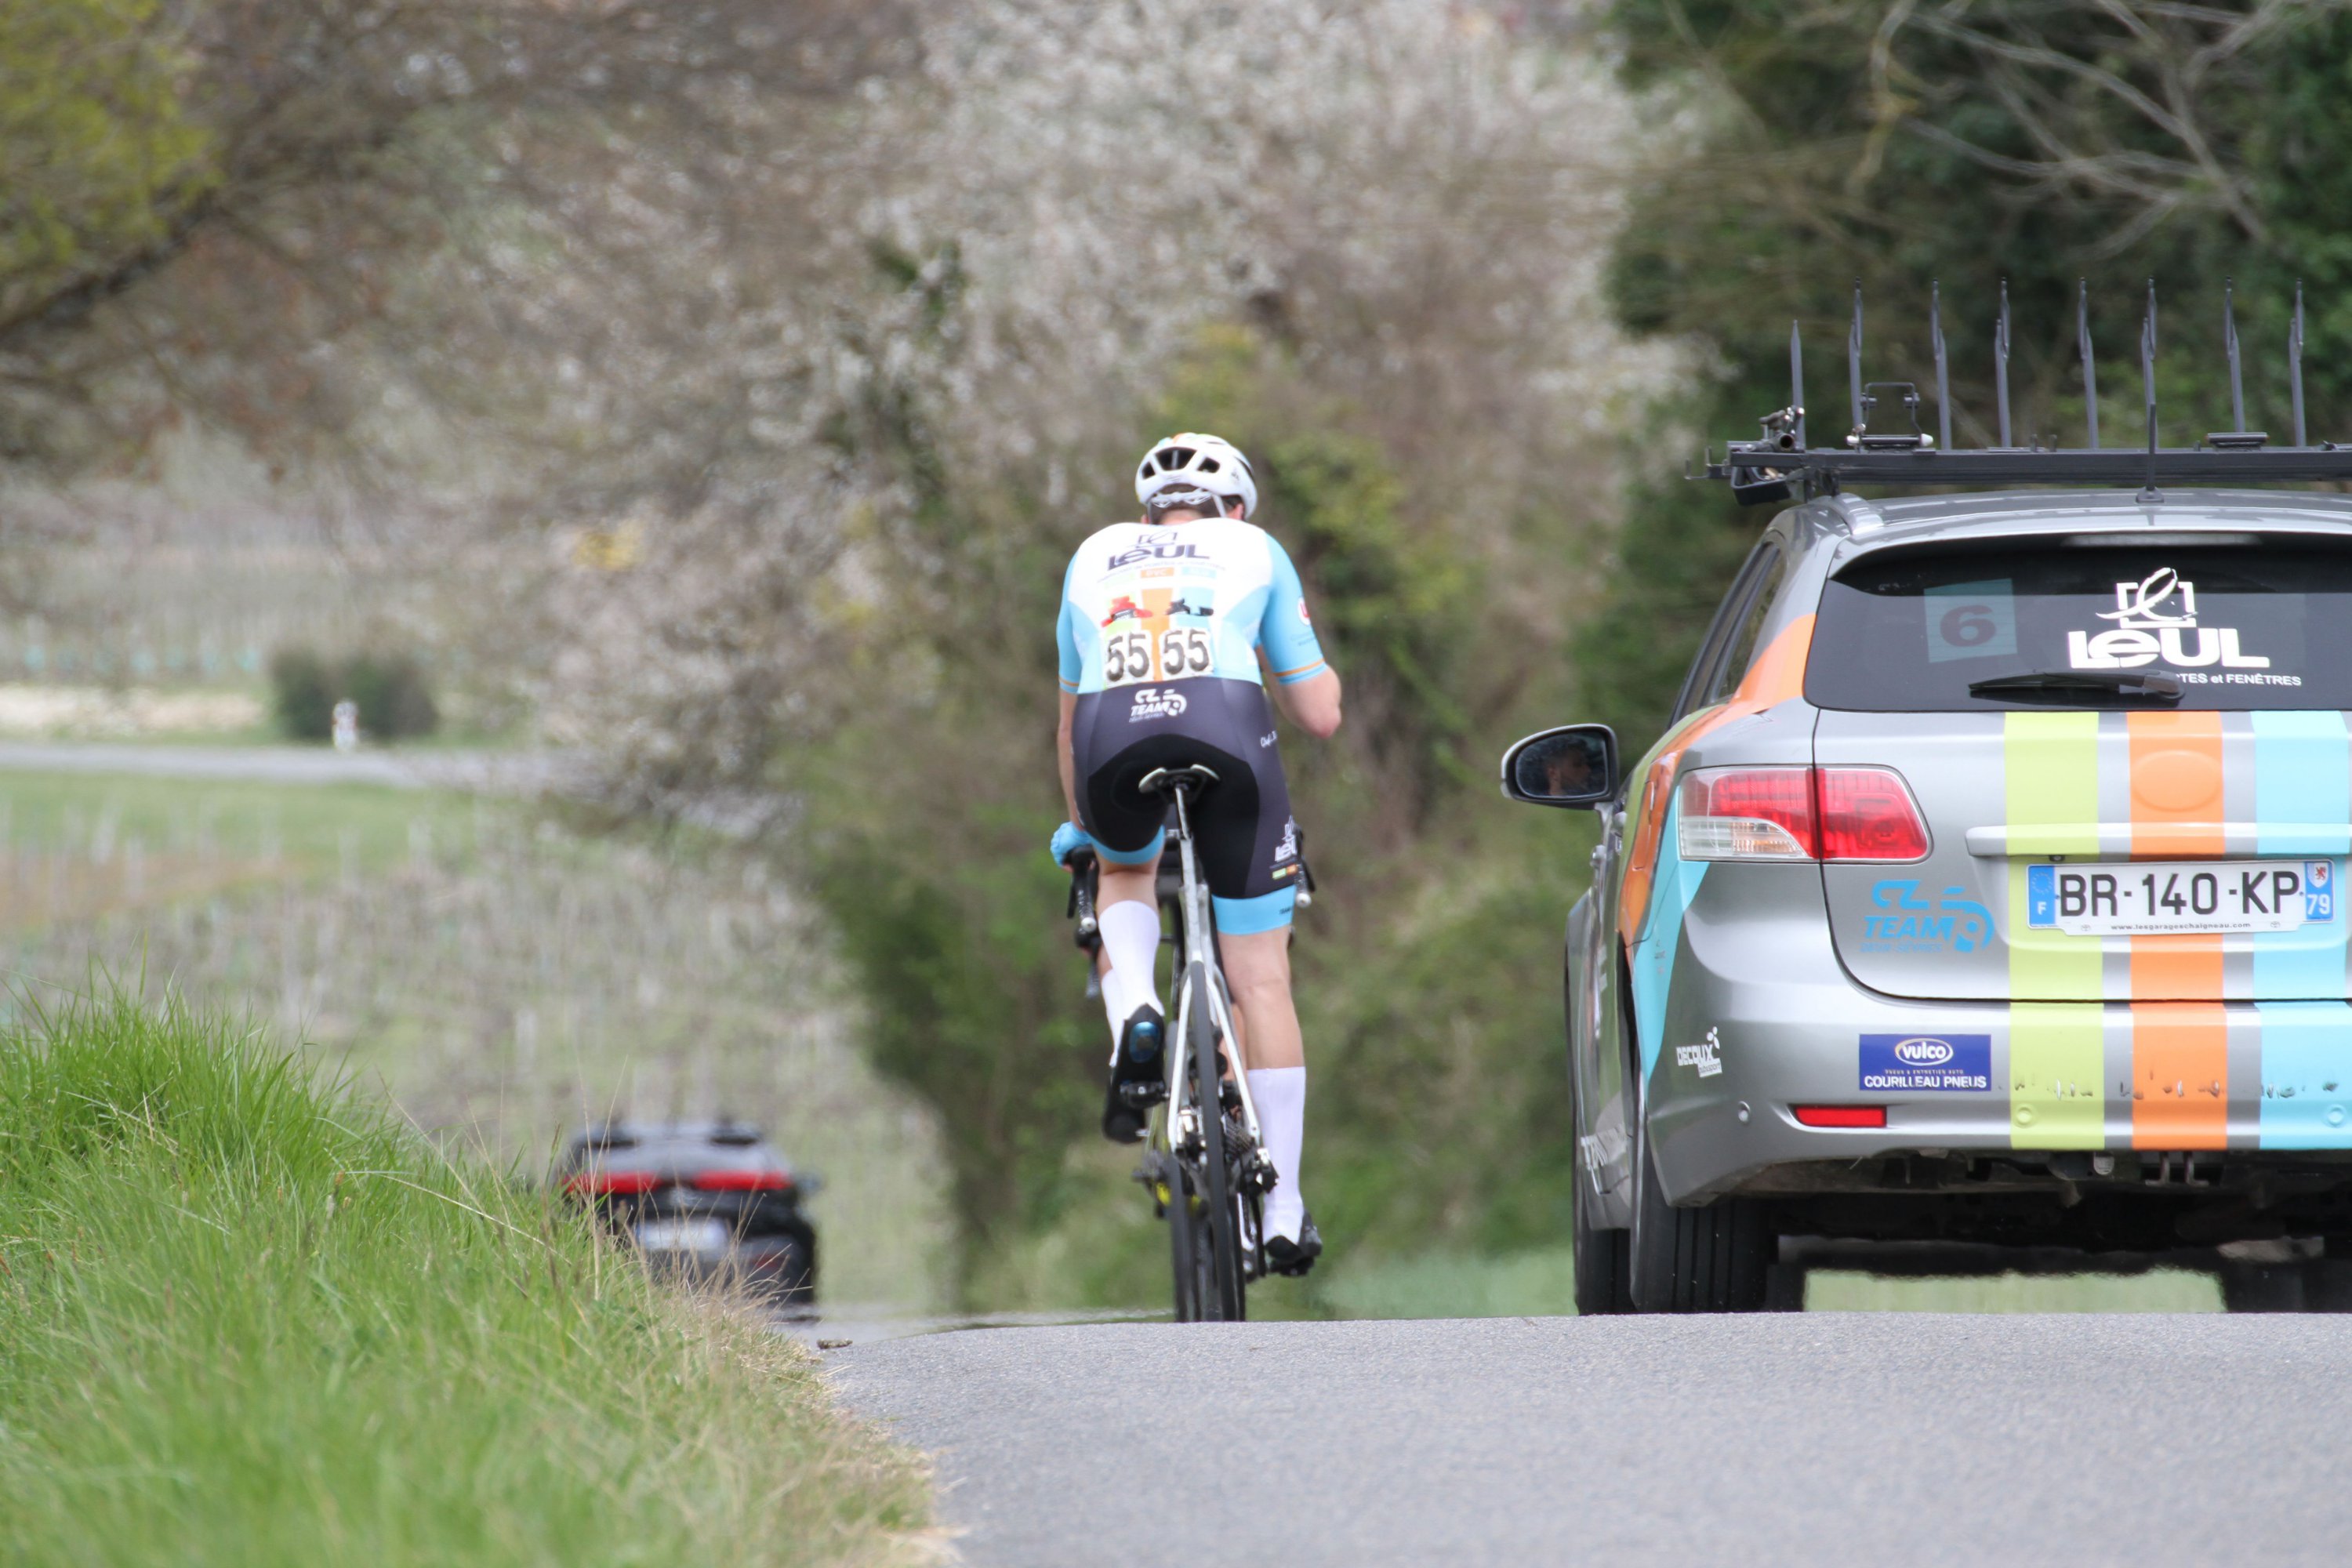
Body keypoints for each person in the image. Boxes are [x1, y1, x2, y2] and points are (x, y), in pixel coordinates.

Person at [1050, 432, 1343, 1275]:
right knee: (1263, 979)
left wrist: (1082, 825)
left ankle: (1138, 1007)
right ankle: (1283, 1205)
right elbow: (1319, 714)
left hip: (1110, 736)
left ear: (1148, 515)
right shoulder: (1254, 547)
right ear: (1235, 507)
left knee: (1124, 868)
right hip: (1226, 727)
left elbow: (1067, 728)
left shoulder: (1093, 554)